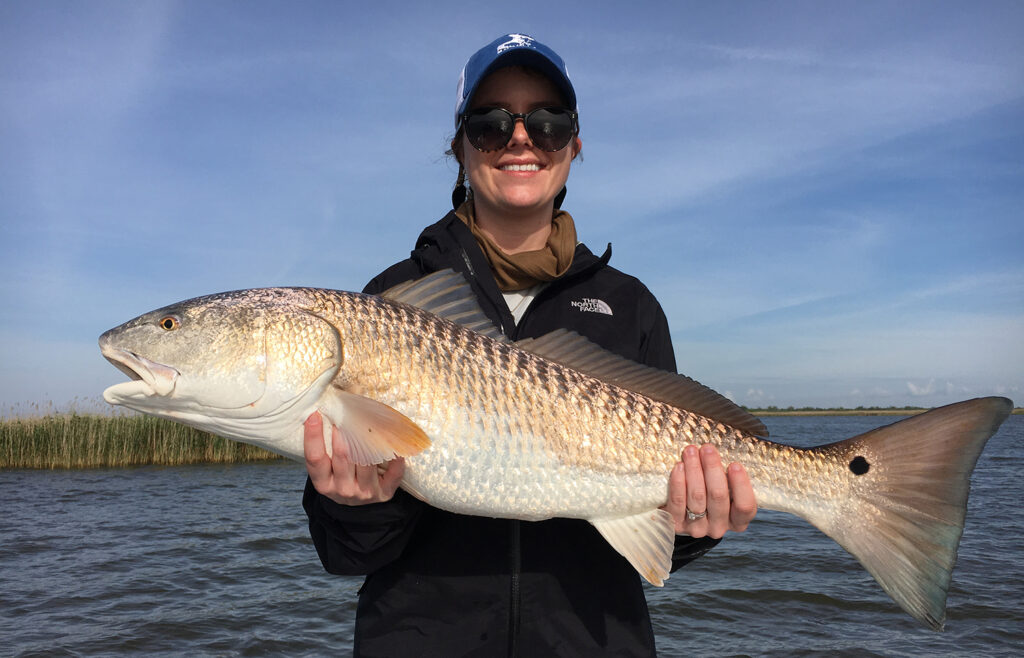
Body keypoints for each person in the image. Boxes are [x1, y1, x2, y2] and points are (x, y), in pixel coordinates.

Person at [302, 33, 757, 657]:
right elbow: (344, 553)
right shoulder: (390, 302)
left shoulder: (631, 307)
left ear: (573, 144)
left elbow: (664, 546)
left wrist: (702, 519)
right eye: (490, 123)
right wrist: (358, 506)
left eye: (546, 122)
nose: (521, 138)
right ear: (459, 146)